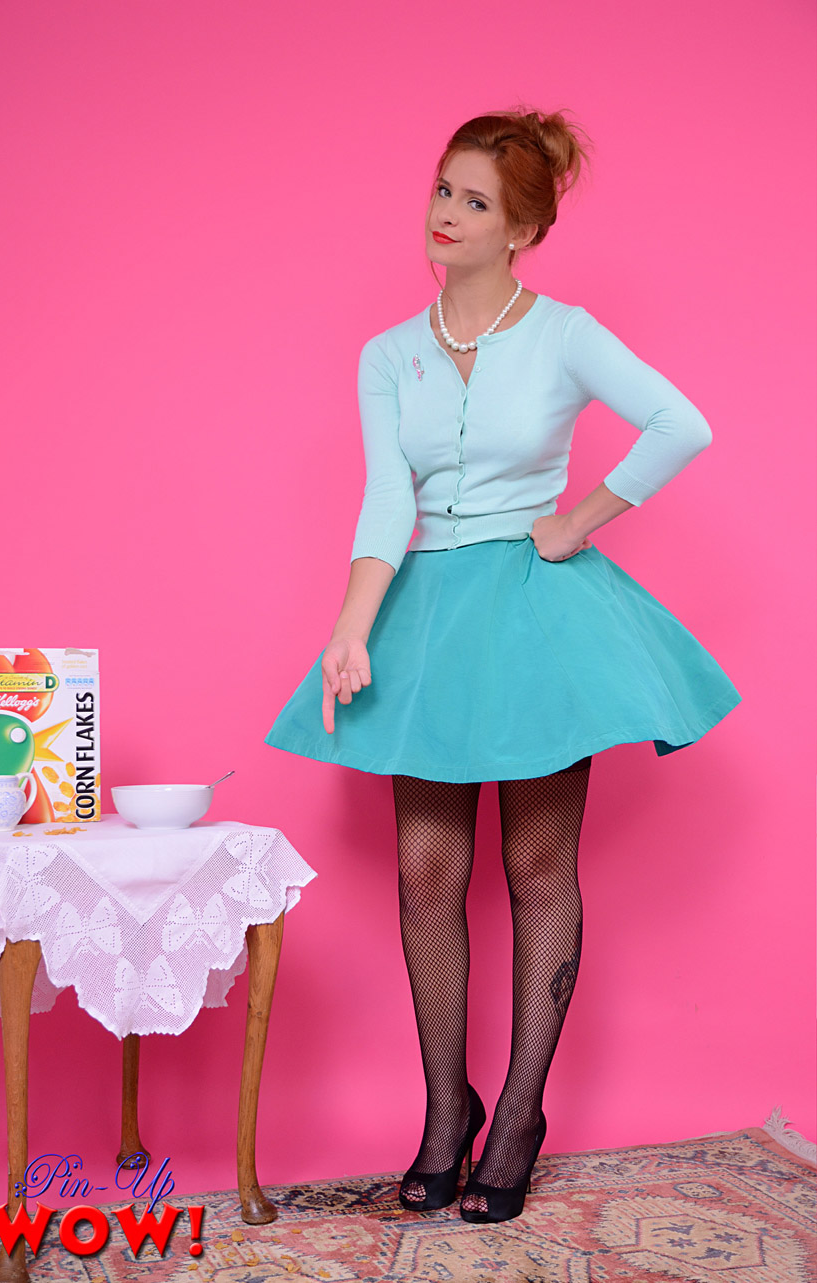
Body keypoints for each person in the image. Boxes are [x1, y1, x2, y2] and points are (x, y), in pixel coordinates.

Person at [264, 108, 742, 1224]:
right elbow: (388, 497)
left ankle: (519, 1114)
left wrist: (577, 521)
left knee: (536, 866)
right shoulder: (388, 353)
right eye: (442, 188)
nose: (445, 213)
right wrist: (351, 627)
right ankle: (448, 1111)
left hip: (535, 613)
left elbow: (681, 424)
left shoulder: (566, 334)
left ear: (521, 228)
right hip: (426, 612)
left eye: (474, 201)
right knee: (426, 873)